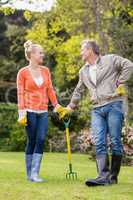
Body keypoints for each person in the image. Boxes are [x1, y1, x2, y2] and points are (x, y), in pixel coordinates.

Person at [56, 40, 133, 186]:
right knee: (99, 141)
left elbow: (129, 65)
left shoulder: (110, 60)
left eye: (82, 50)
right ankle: (103, 176)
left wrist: (121, 82)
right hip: (97, 109)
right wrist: (70, 107)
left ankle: (113, 177)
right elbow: (79, 90)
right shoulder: (83, 71)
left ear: (90, 50)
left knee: (115, 140)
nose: (80, 53)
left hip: (113, 104)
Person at [17, 40, 64, 182]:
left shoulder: (45, 71)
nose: (42, 55)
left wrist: (56, 105)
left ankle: (35, 173)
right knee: (32, 140)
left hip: (43, 111)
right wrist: (22, 112)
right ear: (31, 55)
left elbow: (50, 89)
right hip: (29, 111)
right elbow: (20, 93)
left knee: (41, 139)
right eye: (40, 52)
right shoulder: (23, 72)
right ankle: (29, 174)